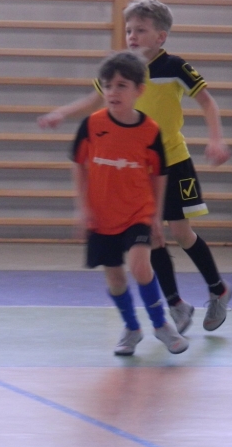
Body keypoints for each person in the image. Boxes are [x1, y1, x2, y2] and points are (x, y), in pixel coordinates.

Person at [41, 0, 232, 333]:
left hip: (174, 162)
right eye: (129, 30)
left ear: (160, 36)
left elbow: (207, 102)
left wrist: (216, 139)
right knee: (151, 236)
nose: (132, 36)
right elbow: (94, 101)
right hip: (139, 171)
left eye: (140, 30)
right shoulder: (124, 71)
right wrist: (62, 113)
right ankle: (176, 304)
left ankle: (219, 289)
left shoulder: (174, 67)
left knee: (181, 232)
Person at [71, 50, 188, 357]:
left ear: (139, 90)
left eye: (122, 86)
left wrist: (156, 216)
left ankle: (161, 324)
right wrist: (82, 208)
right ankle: (132, 328)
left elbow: (159, 173)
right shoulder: (91, 125)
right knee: (115, 277)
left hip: (138, 211)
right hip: (102, 216)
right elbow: (78, 164)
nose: (113, 92)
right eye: (108, 86)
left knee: (139, 265)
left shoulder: (149, 131)